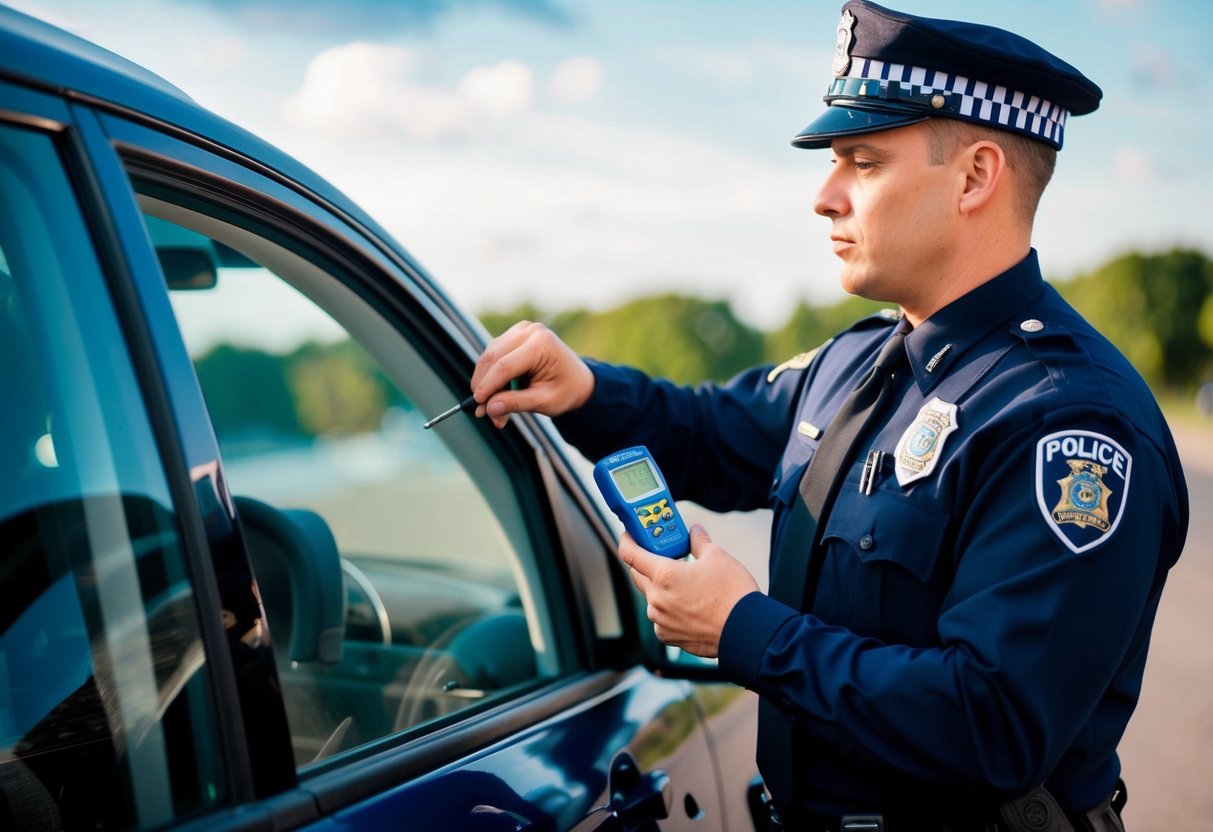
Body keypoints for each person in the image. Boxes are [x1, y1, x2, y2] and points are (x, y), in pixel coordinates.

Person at [468, 2, 1189, 830]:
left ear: (975, 176)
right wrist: (585, 390)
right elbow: (710, 435)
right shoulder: (855, 361)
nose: (824, 195)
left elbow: (992, 723)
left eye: (863, 162)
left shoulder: (1066, 420)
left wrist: (742, 628)